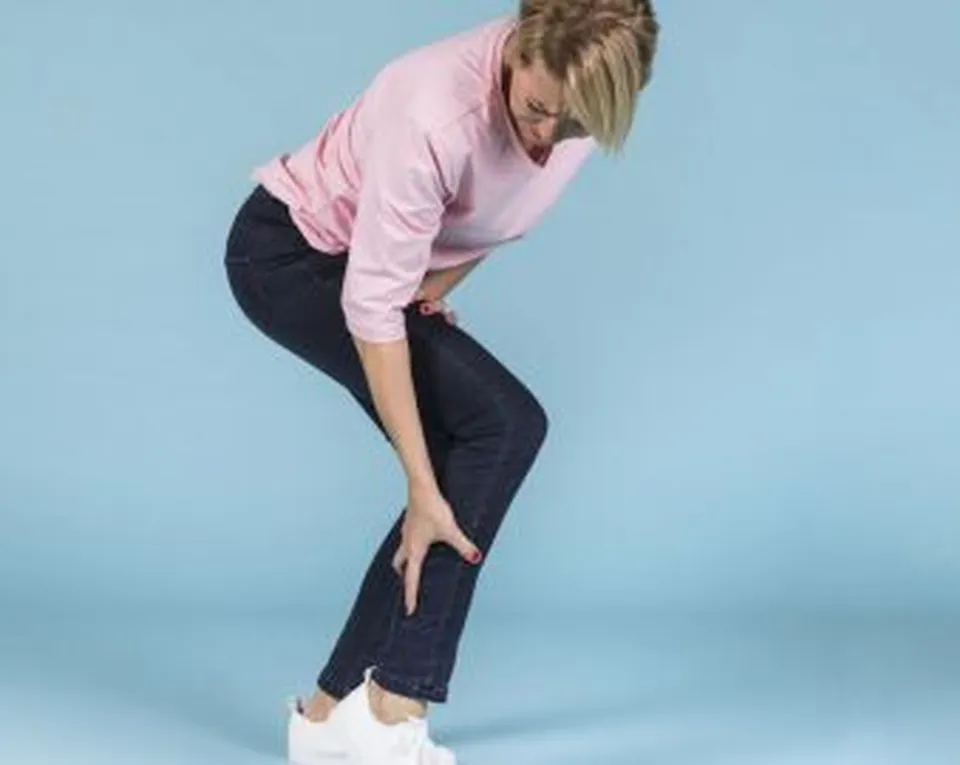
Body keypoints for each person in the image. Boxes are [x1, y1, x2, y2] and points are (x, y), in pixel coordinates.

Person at [222, 2, 659, 763]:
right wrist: (420, 486)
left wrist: (431, 288)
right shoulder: (432, 109)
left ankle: (326, 720)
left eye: (572, 125)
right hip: (290, 259)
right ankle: (392, 708)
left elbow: (497, 215)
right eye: (535, 110)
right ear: (517, 51)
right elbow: (371, 307)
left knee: (483, 444)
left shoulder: (580, 103)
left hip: (373, 271)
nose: (545, 137)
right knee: (500, 427)